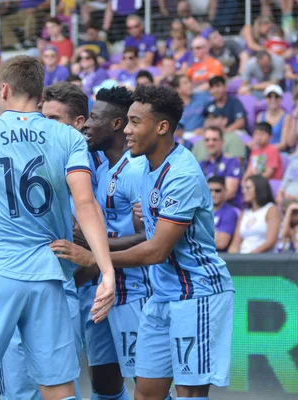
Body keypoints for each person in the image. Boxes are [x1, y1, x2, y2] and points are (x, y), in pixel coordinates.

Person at [0, 55, 115, 400]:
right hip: (49, 274)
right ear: (39, 94)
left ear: (4, 89)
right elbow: (85, 204)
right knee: (58, 388)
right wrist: (107, 271)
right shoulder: (68, 138)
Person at [53, 85, 235, 399]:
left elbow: (157, 249)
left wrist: (95, 258)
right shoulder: (147, 167)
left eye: (135, 122)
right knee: (146, 392)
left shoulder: (183, 175)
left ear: (162, 127)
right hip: (160, 295)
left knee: (190, 393)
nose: (127, 130)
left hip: (196, 293)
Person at [57, 86, 154, 400]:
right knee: (105, 384)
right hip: (103, 290)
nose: (85, 125)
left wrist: (90, 247)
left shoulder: (138, 169)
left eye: (94, 118)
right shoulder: (101, 169)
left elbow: (154, 239)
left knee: (149, 384)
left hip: (136, 291)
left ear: (115, 124)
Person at [228, 175, 281, 254]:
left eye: (248, 188)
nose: (244, 191)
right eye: (243, 188)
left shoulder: (271, 209)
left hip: (262, 260)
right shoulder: (244, 212)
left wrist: (249, 257)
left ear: (259, 189)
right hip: (243, 258)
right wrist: (232, 259)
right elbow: (235, 243)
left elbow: (271, 241)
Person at [198, 126, 243, 208]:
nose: (210, 143)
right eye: (207, 140)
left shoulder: (231, 161)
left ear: (222, 142)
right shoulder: (202, 164)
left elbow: (230, 193)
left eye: (214, 140)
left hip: (229, 209)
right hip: (207, 209)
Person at [208, 175, 240, 252]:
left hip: (218, 258)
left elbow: (222, 243)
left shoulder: (230, 212)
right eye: (210, 190)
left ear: (225, 191)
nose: (213, 194)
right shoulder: (200, 211)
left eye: (217, 190)